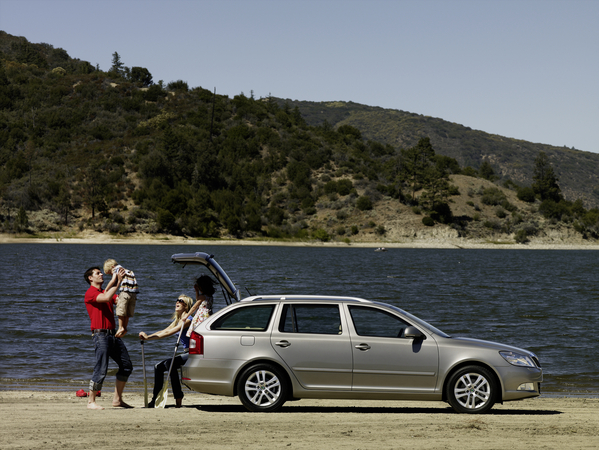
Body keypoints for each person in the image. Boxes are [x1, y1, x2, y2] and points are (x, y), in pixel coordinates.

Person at [83, 266, 133, 410]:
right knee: (101, 368)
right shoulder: (90, 293)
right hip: (100, 335)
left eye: (101, 272)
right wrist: (115, 281)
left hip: (113, 335)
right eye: (98, 273)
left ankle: (117, 400)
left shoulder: (106, 292)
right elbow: (105, 297)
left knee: (126, 365)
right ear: (90, 278)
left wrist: (127, 283)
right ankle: (91, 401)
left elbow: (120, 301)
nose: (101, 275)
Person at [139, 294, 194, 408]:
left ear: (186, 306)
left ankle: (178, 396)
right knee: (158, 367)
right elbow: (163, 331)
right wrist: (148, 337)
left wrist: (148, 338)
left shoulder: (188, 320)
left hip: (194, 353)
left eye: (181, 301)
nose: (177, 302)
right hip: (186, 352)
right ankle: (155, 398)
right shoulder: (178, 320)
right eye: (177, 300)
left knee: (170, 364)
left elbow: (169, 333)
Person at [103, 258, 139, 338]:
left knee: (120, 310)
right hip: (133, 294)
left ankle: (120, 327)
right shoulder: (128, 271)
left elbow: (112, 281)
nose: (111, 275)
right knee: (127, 313)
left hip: (125, 293)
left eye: (110, 273)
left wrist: (106, 289)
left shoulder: (117, 270)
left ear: (112, 267)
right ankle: (125, 328)